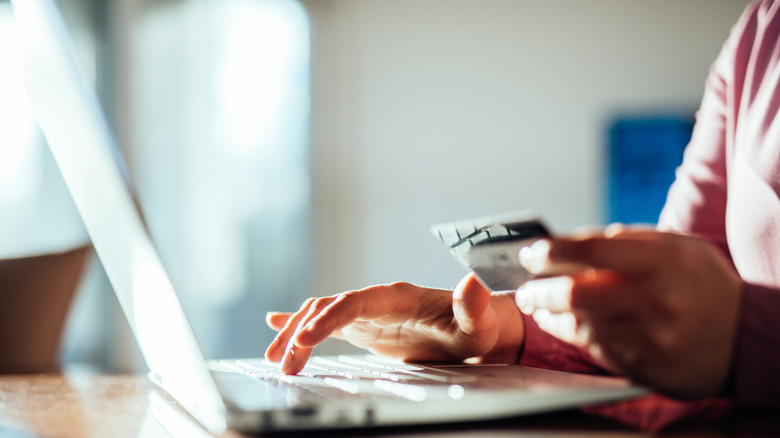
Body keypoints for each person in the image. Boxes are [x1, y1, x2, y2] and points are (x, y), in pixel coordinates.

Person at [265, 0, 779, 408]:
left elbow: (720, 329)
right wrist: (497, 333)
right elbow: (670, 322)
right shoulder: (758, 36)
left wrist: (748, 338)